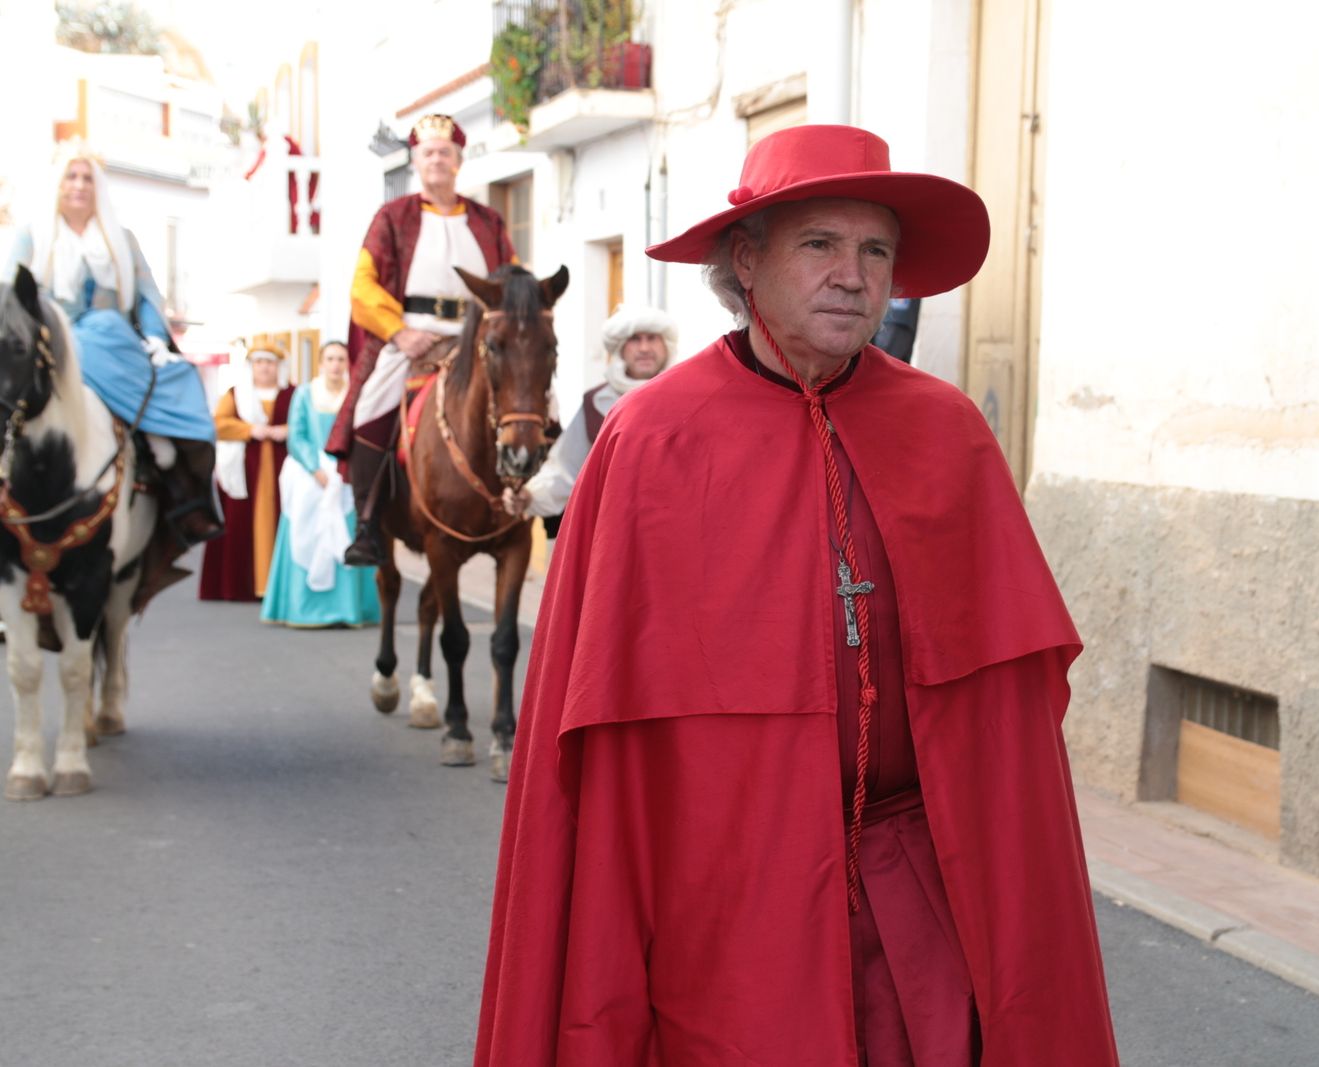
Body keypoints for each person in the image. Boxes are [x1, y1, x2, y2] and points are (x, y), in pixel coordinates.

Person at [475, 125, 1119, 1066]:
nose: (852, 277)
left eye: (876, 252)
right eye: (821, 244)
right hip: (722, 894)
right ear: (747, 260)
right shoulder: (651, 441)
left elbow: (1008, 718)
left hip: (920, 890)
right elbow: (592, 725)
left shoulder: (948, 433)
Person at [2, 147, 223, 553]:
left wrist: (154, 337)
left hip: (116, 341)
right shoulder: (32, 236)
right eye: (71, 177)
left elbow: (147, 294)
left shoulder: (121, 239)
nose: (79, 186)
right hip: (51, 344)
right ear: (58, 185)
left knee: (183, 380)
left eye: (87, 178)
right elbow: (13, 300)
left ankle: (179, 486)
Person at [325, 113, 517, 566]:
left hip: (477, 339)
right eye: (428, 153)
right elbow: (363, 286)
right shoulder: (393, 217)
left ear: (458, 161)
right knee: (369, 409)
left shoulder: (488, 220)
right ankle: (368, 524)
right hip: (413, 338)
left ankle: (545, 503)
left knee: (533, 401)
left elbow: (513, 279)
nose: (437, 160)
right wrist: (399, 332)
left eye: (445, 153)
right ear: (416, 161)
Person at [499, 303, 676, 525]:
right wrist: (530, 496)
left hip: (675, 526)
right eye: (634, 339)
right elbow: (566, 468)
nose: (644, 348)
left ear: (666, 345)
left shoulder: (686, 397)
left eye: (652, 338)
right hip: (618, 527)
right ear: (620, 347)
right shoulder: (597, 404)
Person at [261, 341, 380, 627]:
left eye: (341, 359)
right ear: (321, 363)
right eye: (330, 359)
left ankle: (348, 608)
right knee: (304, 527)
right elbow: (297, 436)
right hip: (310, 471)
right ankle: (301, 607)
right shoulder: (305, 393)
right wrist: (315, 468)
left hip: (345, 473)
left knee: (348, 529)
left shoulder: (355, 395)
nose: (336, 365)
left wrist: (346, 467)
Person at [199, 346, 293, 602]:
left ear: (279, 367)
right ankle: (241, 585)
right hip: (244, 470)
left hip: (284, 467)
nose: (264, 367)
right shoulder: (236, 394)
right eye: (259, 362)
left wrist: (287, 430)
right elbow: (218, 423)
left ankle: (279, 587)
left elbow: (305, 421)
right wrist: (249, 430)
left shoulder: (292, 394)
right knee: (240, 523)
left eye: (269, 362)